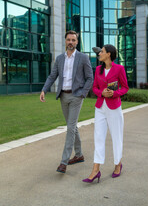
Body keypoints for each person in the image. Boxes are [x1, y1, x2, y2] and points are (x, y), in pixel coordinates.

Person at [40, 30, 93, 173]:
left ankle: (63, 162)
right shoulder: (59, 59)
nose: (71, 42)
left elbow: (90, 78)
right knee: (72, 127)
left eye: (73, 40)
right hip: (63, 96)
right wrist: (44, 89)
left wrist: (83, 93)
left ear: (77, 42)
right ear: (65, 41)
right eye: (69, 40)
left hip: (76, 96)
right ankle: (79, 154)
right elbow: (52, 76)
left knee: (70, 128)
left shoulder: (83, 58)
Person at [82, 44, 129, 183]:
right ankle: (96, 170)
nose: (99, 54)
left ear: (109, 54)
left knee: (116, 137)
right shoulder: (97, 69)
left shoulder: (119, 69)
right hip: (100, 108)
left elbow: (125, 87)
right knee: (98, 138)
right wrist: (101, 92)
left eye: (101, 52)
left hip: (114, 107)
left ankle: (117, 164)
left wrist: (115, 93)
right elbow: (95, 87)